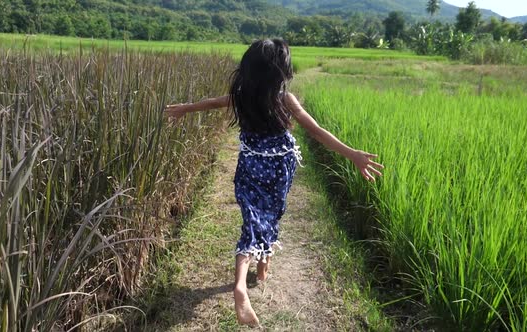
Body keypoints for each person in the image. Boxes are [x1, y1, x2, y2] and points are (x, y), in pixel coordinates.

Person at [164, 38, 383, 327]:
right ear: (280, 72)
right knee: (272, 214)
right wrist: (352, 154)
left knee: (252, 221)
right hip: (280, 166)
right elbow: (316, 132)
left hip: (250, 165)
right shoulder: (284, 99)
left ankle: (241, 283)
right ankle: (264, 266)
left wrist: (185, 109)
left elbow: (212, 103)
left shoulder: (242, 96)